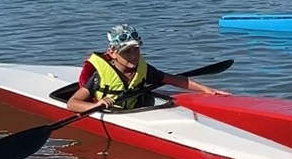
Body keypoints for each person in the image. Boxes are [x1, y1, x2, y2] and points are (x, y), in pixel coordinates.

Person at [66, 23, 229, 114]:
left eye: (136, 49)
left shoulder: (145, 70)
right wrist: (96, 105)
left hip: (131, 112)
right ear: (113, 54)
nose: (133, 56)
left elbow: (175, 79)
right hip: (108, 112)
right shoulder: (99, 77)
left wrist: (207, 90)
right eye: (126, 52)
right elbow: (73, 103)